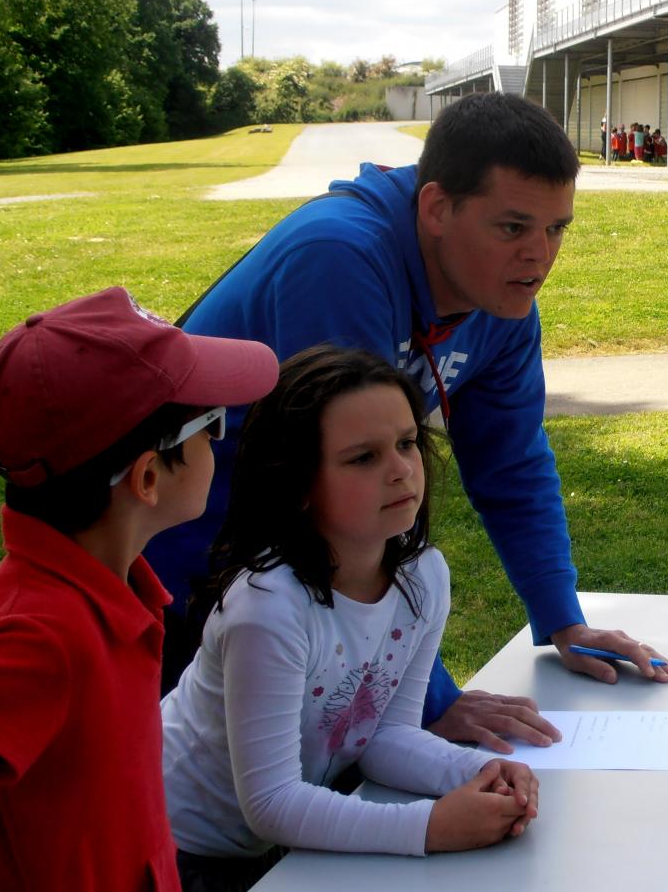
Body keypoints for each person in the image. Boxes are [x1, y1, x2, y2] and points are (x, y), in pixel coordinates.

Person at [146, 91, 668, 755]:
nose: (539, 258)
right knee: (214, 823)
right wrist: (430, 703)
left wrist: (561, 618)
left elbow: (510, 464)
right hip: (182, 571)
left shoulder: (501, 307)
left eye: (556, 228)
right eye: (513, 228)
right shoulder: (339, 260)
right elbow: (347, 500)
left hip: (283, 582)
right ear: (436, 208)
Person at [163, 346, 538, 891]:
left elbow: (384, 736)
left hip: (273, 840)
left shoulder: (424, 576)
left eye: (408, 443)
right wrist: (429, 826)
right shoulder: (268, 608)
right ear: (298, 485)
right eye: (363, 457)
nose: (401, 470)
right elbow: (270, 802)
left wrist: (476, 774)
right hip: (180, 846)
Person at [0, 287, 278, 892]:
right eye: (210, 424)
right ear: (147, 476)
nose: (222, 443)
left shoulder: (117, 597)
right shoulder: (37, 636)